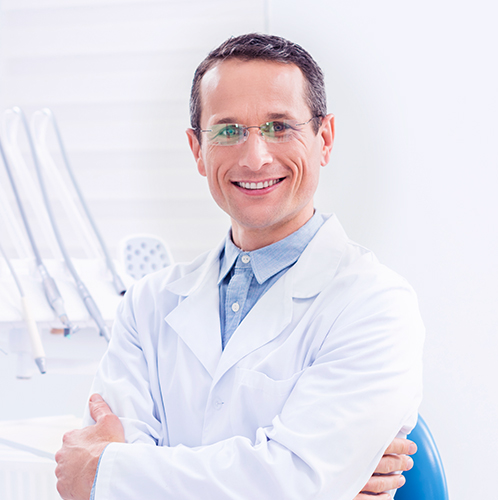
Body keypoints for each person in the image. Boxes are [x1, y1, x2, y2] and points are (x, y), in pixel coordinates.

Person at [55, 33, 424, 500]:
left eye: (280, 126)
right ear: (197, 149)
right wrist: (288, 478)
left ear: (324, 139)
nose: (255, 157)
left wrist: (107, 473)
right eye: (228, 131)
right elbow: (292, 485)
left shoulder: (375, 305)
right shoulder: (147, 304)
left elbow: (296, 482)